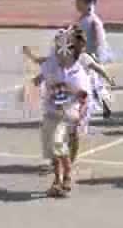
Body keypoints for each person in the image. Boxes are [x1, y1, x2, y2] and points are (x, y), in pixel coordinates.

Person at [34, 28, 90, 197]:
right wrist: (37, 81)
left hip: (66, 113)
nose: (58, 52)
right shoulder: (53, 65)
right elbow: (44, 74)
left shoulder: (77, 72)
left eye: (63, 48)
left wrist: (81, 114)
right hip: (51, 111)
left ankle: (67, 176)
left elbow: (83, 96)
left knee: (58, 145)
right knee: (53, 149)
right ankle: (57, 180)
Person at [74, 0, 114, 117]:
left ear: (89, 3)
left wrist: (95, 56)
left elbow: (99, 40)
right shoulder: (82, 18)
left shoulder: (94, 21)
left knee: (90, 83)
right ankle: (103, 106)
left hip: (90, 57)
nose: (76, 5)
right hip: (82, 56)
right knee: (91, 84)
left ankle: (97, 107)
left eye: (79, 3)